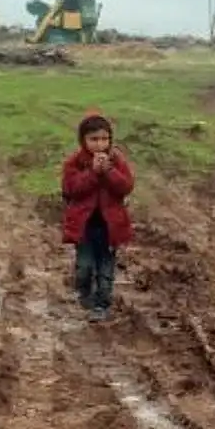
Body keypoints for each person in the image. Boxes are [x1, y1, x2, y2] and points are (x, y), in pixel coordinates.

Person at [61, 111, 135, 323]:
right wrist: (93, 173)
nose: (100, 144)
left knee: (105, 268)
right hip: (84, 226)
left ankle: (102, 304)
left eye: (104, 139)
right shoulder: (74, 163)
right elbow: (71, 189)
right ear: (83, 140)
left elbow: (126, 187)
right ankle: (84, 292)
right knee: (84, 266)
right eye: (94, 139)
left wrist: (109, 171)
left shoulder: (116, 160)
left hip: (110, 227)